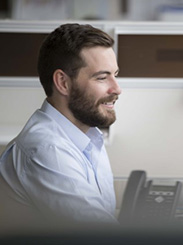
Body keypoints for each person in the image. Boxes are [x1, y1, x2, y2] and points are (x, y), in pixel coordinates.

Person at [0, 23, 121, 227]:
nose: (117, 89)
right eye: (102, 78)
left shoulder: (89, 136)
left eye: (115, 75)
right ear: (63, 83)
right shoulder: (47, 150)